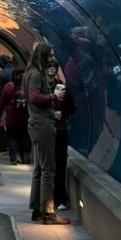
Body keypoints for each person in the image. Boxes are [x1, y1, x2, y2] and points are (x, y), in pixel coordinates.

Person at [24, 42, 70, 226]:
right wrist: (54, 97)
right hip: (42, 125)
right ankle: (48, 213)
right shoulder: (36, 75)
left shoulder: (30, 74)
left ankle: (37, 209)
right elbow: (34, 97)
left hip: (36, 124)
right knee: (48, 170)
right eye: (50, 55)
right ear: (42, 56)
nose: (52, 59)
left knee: (39, 170)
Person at [47, 60, 76, 210]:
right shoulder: (42, 88)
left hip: (60, 129)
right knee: (47, 166)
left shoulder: (63, 87)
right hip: (46, 130)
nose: (51, 70)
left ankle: (61, 198)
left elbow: (72, 107)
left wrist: (62, 114)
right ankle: (49, 198)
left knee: (60, 163)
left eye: (54, 67)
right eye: (49, 67)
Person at [0, 67, 31, 165]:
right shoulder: (28, 86)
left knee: (12, 137)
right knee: (25, 136)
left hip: (11, 116)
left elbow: (2, 102)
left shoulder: (9, 86)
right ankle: (25, 157)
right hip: (25, 115)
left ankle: (14, 158)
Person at [0, 54, 15, 151]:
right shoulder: (16, 71)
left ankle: (3, 146)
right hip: (18, 103)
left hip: (5, 104)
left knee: (3, 125)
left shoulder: (1, 74)